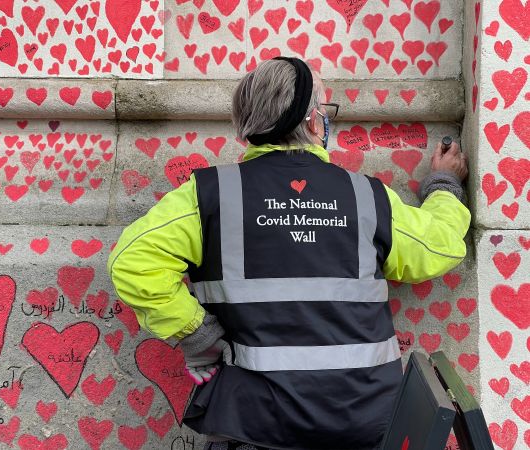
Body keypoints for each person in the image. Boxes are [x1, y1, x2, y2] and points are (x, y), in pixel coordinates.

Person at [107, 57, 470, 450]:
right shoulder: (365, 196)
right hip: (362, 422)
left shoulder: (211, 194)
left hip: (253, 426)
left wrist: (199, 337)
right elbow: (438, 246)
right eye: (326, 110)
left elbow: (132, 263)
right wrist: (444, 183)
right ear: (315, 122)